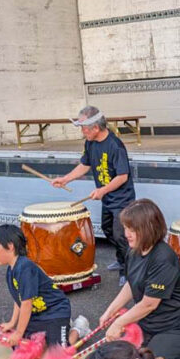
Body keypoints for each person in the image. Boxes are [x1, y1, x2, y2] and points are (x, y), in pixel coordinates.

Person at [99, 198, 180, 359]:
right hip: (147, 323)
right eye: (126, 228)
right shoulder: (133, 250)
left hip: (174, 326)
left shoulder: (163, 257)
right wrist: (109, 312)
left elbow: (149, 304)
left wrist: (119, 322)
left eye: (132, 229)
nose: (126, 234)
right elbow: (132, 283)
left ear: (148, 229)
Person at [51, 106, 136, 284]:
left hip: (122, 200)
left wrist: (103, 190)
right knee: (107, 229)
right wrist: (66, 179)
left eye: (84, 129)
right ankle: (122, 259)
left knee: (122, 235)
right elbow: (85, 164)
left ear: (96, 128)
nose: (83, 133)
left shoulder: (115, 145)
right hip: (107, 198)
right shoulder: (90, 143)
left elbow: (122, 176)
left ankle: (128, 273)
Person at [0, 223, 90, 347]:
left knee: (60, 351)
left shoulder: (25, 267)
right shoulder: (11, 270)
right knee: (20, 346)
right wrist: (12, 322)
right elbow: (19, 299)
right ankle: (58, 329)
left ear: (10, 246)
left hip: (55, 311)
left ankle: (78, 328)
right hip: (37, 315)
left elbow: (26, 303)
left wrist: (19, 332)